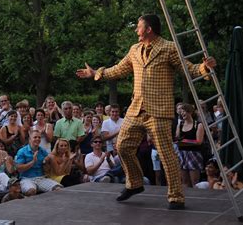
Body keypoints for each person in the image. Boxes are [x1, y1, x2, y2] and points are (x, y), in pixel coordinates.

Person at [76, 14, 216, 209]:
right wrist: (95, 73)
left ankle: (176, 196)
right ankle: (134, 183)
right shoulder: (134, 49)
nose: (136, 30)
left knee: (166, 155)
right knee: (123, 146)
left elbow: (188, 68)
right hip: (136, 109)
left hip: (159, 111)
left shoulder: (168, 48)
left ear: (149, 29)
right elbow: (118, 69)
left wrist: (204, 68)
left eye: (138, 27)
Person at [15, 130, 62, 196]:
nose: (37, 139)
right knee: (31, 191)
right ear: (30, 139)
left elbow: (48, 168)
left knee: (58, 188)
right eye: (35, 137)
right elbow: (19, 168)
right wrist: (32, 162)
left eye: (39, 137)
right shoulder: (22, 151)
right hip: (27, 179)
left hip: (41, 178)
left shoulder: (43, 151)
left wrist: (47, 163)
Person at [175, 103, 205, 187]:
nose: (182, 113)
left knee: (194, 181)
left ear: (190, 112)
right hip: (182, 153)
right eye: (181, 112)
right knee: (184, 181)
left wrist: (186, 141)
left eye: (184, 111)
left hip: (193, 154)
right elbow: (177, 138)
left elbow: (199, 141)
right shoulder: (180, 125)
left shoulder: (198, 125)